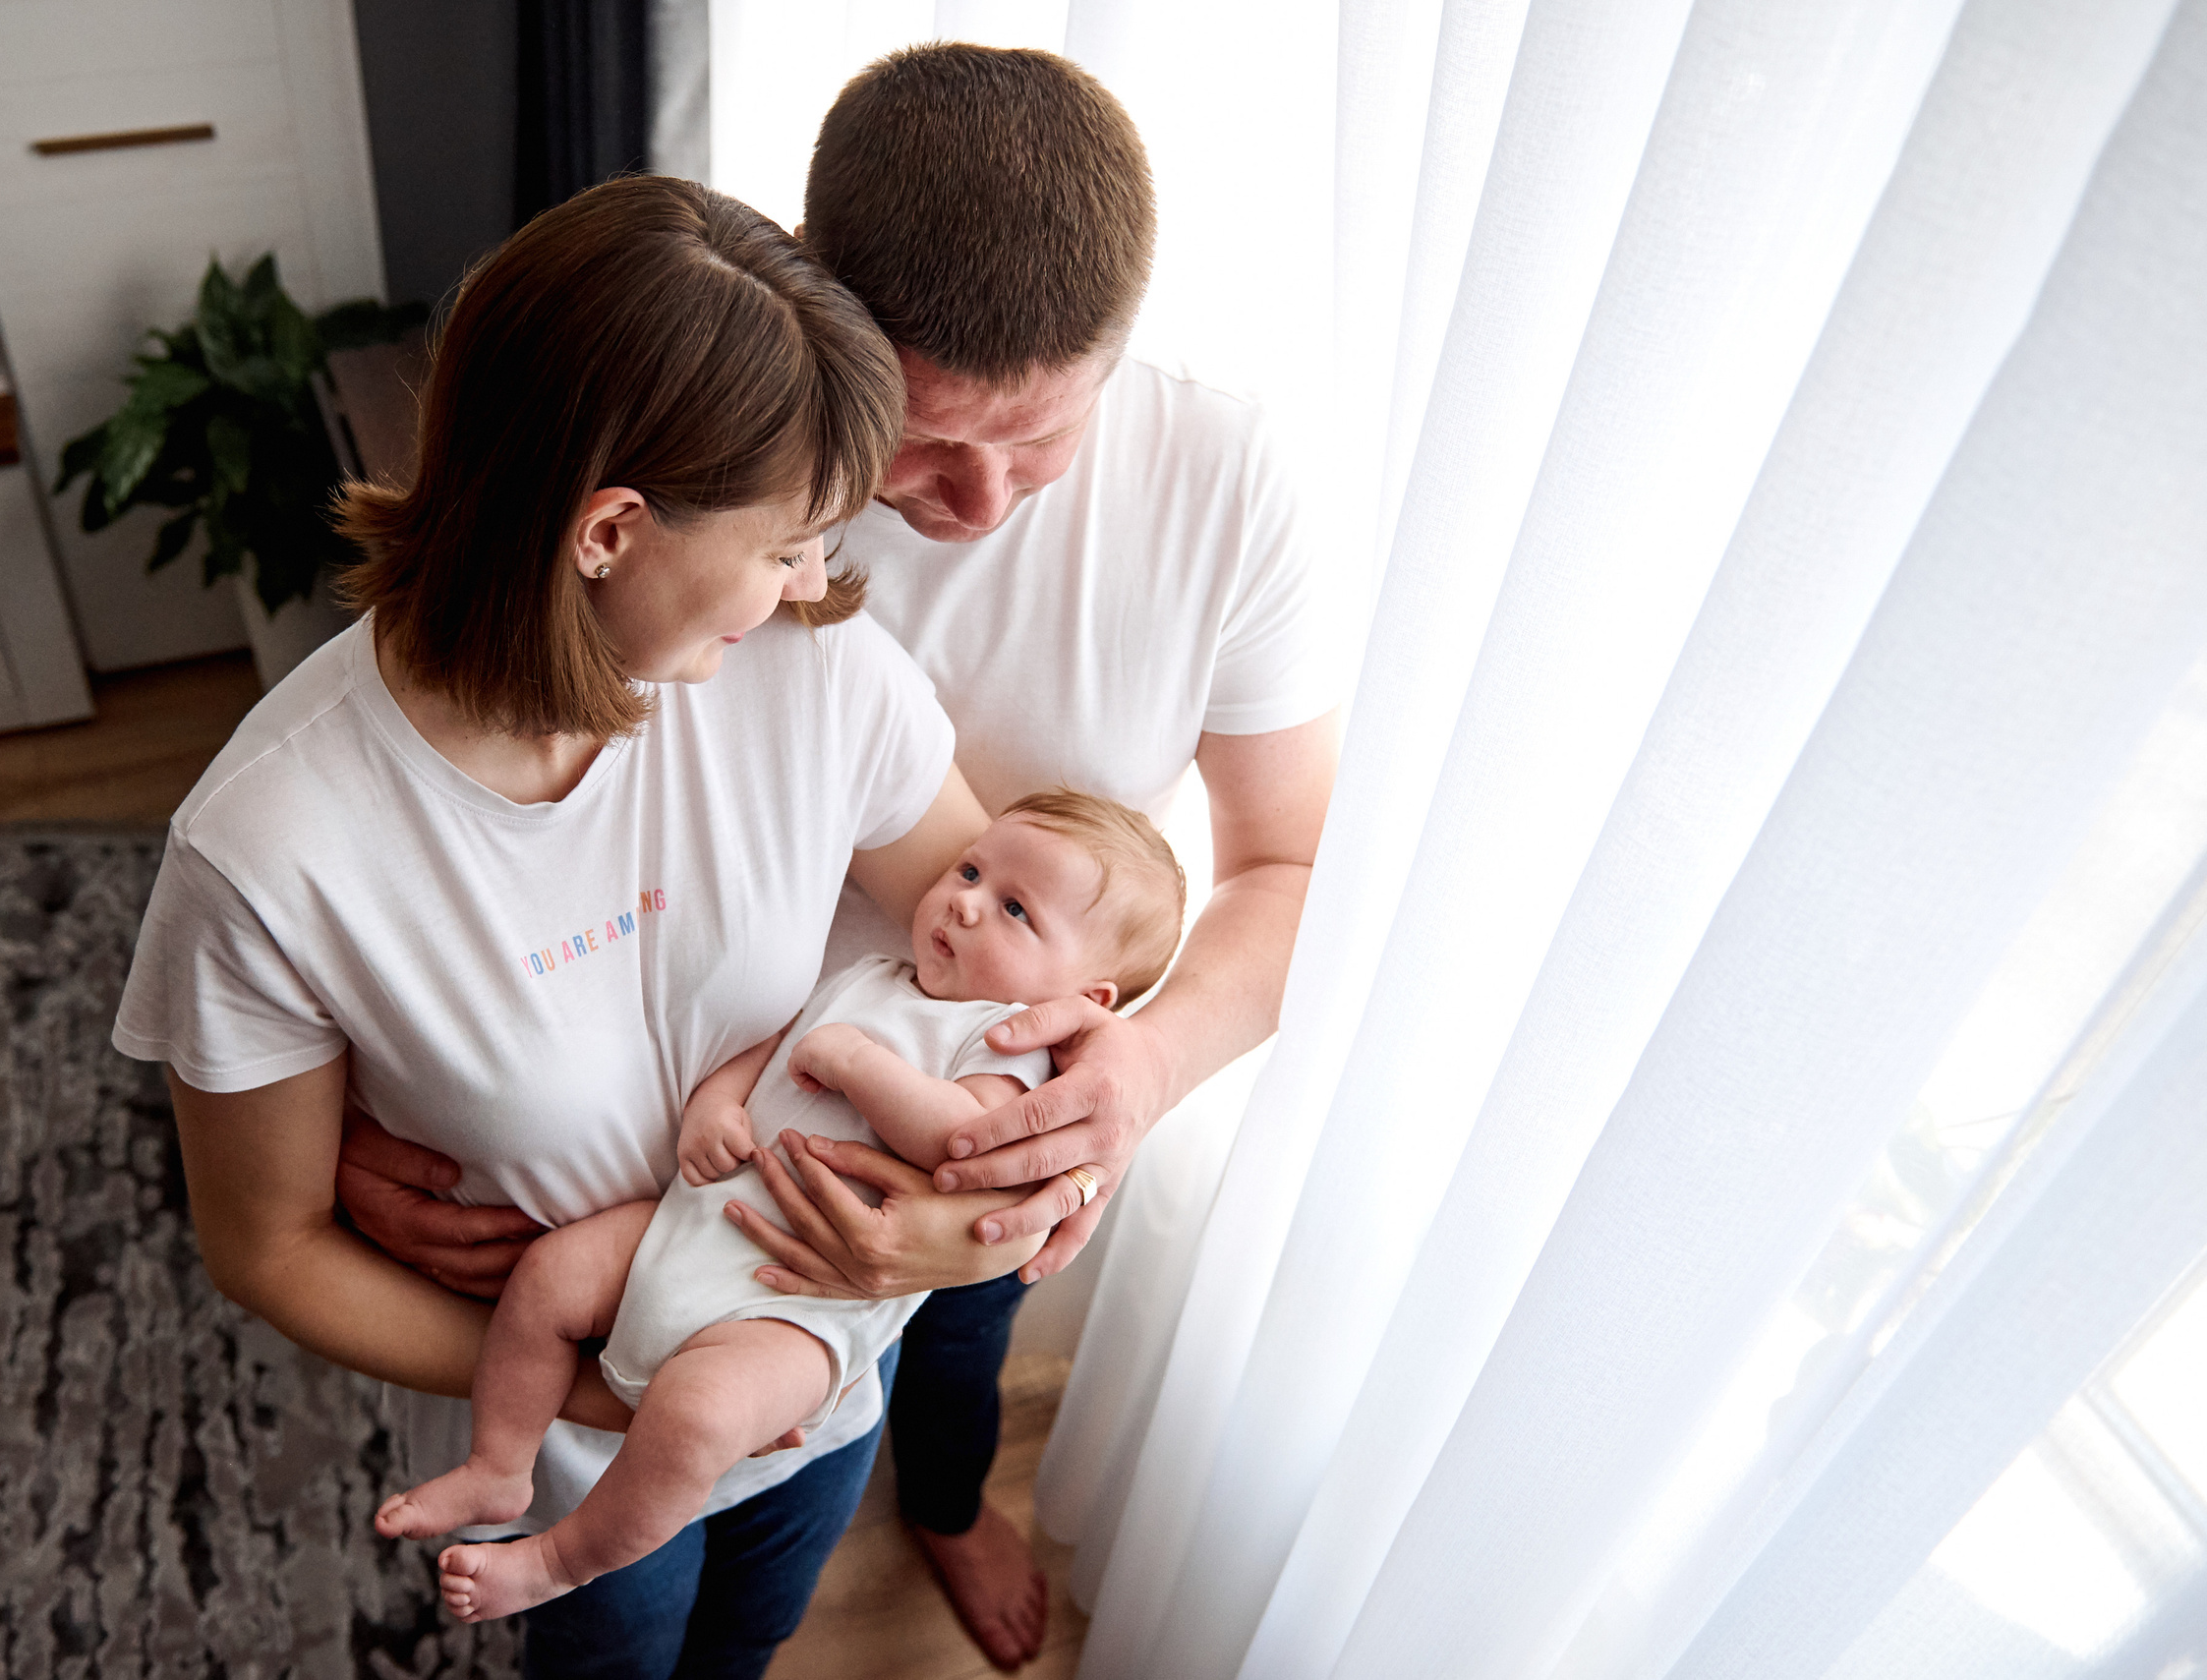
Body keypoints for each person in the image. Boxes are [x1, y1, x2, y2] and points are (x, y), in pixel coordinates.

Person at [338, 45, 1344, 1670]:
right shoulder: (718, 477)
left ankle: (942, 1504)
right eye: (930, 444)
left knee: (949, 1365)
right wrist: (375, 1104)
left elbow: (1288, 865)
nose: (981, 499)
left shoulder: (1229, 487)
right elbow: (473, 763)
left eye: (1046, 437)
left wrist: (1128, 1079)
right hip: (666, 1103)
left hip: (983, 1110)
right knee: (639, 1508)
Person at [111, 174, 1041, 1680]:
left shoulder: (810, 668)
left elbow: (1021, 976)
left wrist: (969, 1223)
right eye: (791, 539)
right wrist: (605, 1398)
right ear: (611, 529)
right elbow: (266, 1242)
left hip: (818, 1386)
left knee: (753, 1633)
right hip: (559, 1448)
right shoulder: (271, 849)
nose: (819, 580)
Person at [378, 793, 1186, 1625]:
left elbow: (963, 1142)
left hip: (797, 1311)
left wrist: (859, 1063)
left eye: (1015, 909)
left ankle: (559, 1559)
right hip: (698, 1221)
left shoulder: (1008, 1047)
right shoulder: (874, 974)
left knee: (695, 1420)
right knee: (550, 1273)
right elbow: (768, 1042)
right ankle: (499, 1461)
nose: (966, 900)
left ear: (1088, 998)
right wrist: (718, 1105)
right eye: (971, 868)